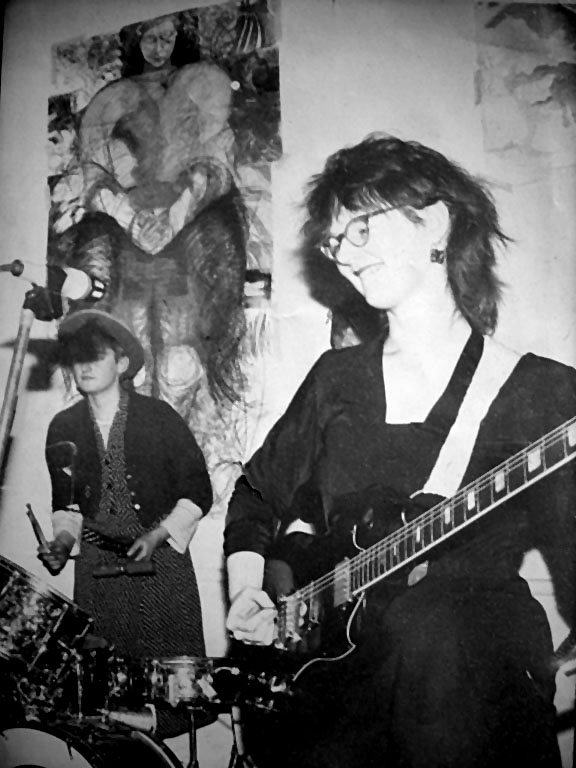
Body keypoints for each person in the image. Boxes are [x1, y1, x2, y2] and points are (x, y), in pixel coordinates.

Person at [223, 134, 576, 768]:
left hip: (468, 673)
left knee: (435, 626)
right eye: (335, 242)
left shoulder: (542, 391)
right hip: (339, 679)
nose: (344, 257)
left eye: (360, 229)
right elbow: (257, 490)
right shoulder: (336, 378)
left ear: (435, 222)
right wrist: (248, 586)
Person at [52, 12, 248, 406]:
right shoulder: (111, 100)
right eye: (150, 39)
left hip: (189, 227)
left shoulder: (203, 83)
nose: (159, 48)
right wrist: (129, 218)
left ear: (180, 38)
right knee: (127, 353)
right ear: (135, 41)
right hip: (124, 230)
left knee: (181, 359)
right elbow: (92, 170)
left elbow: (217, 163)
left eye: (167, 37)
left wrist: (176, 216)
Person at [39, 308, 213, 738]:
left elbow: (198, 491)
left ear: (121, 363)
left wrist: (156, 536)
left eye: (97, 356)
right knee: (104, 693)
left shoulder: (160, 418)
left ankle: (161, 734)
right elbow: (66, 509)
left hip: (160, 562)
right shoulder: (63, 426)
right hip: (97, 570)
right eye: (79, 357)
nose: (86, 365)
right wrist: (62, 543)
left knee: (173, 684)